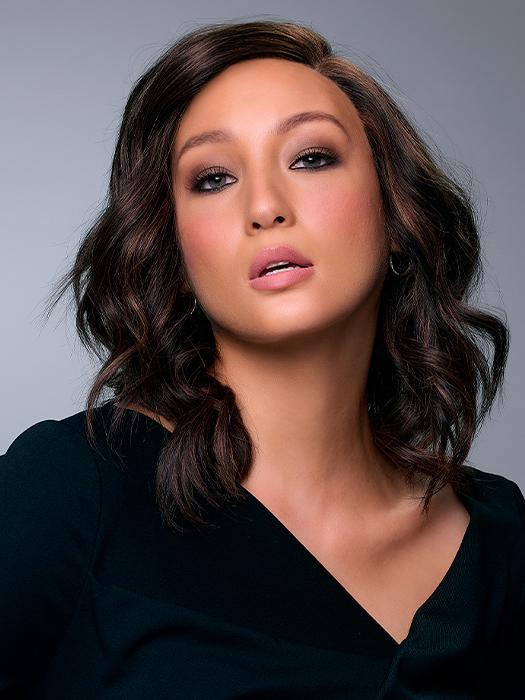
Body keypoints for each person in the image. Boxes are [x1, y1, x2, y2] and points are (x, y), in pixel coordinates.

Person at [1, 19, 523, 699]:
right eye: (214, 178)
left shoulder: (500, 543)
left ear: (397, 215)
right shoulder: (71, 489)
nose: (265, 207)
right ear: (175, 254)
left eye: (311, 158)